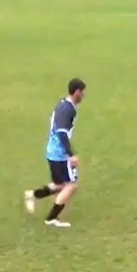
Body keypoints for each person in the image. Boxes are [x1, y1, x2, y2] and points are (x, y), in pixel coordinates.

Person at [24, 78, 87, 227]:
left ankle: (32, 195)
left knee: (60, 185)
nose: (84, 95)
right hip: (60, 154)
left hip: (52, 151)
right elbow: (62, 133)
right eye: (83, 92)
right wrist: (71, 154)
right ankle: (51, 219)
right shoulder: (68, 109)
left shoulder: (63, 104)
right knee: (71, 185)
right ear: (77, 92)